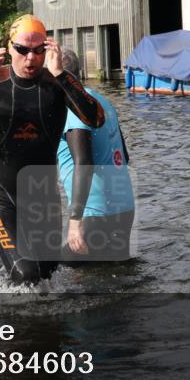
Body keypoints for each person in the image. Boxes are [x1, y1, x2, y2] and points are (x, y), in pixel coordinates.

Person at [0, 14, 104, 285]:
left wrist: (61, 75)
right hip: (2, 197)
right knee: (27, 274)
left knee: (48, 276)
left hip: (44, 199)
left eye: (38, 51)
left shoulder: (57, 83)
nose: (30, 59)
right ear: (9, 48)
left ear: (48, 49)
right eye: (22, 50)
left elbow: (96, 119)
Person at [56, 49, 135, 262]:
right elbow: (124, 158)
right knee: (114, 274)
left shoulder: (72, 109)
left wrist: (75, 221)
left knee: (52, 271)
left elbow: (84, 164)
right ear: (79, 73)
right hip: (124, 208)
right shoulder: (103, 102)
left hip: (94, 213)